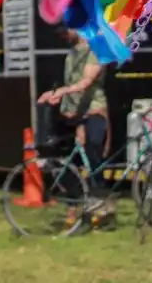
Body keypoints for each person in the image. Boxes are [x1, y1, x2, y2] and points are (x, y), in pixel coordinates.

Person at [37, 28, 111, 225]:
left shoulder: (96, 51)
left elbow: (85, 82)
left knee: (93, 155)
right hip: (73, 115)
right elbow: (71, 84)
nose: (62, 34)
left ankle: (99, 207)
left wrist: (61, 91)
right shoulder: (71, 54)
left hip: (94, 112)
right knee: (65, 161)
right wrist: (54, 95)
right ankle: (72, 207)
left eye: (66, 29)